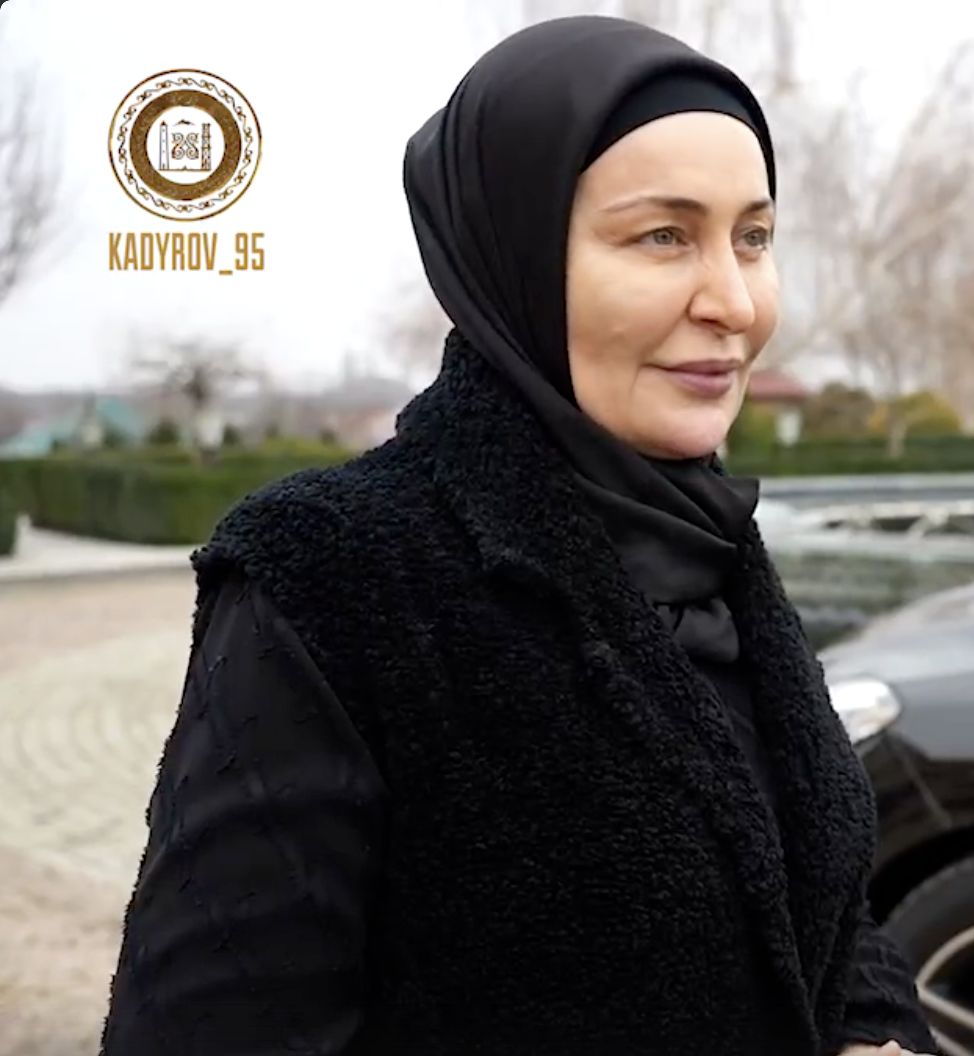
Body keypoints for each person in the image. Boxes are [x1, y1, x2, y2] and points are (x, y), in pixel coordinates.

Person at [99, 15, 939, 1056]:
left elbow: (816, 905)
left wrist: (869, 1034)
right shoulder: (334, 577)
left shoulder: (712, 546)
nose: (734, 300)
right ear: (514, 257)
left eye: (753, 238)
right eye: (663, 236)